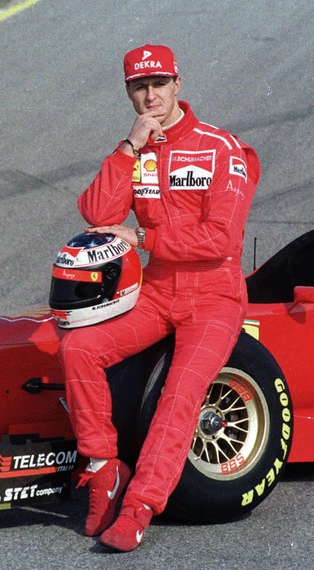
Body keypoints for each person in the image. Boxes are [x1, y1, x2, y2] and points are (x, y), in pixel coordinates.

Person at [58, 44, 260, 551]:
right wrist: (129, 148)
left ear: (178, 85)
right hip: (156, 293)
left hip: (214, 296)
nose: (151, 95)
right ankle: (105, 470)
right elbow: (97, 212)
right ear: (129, 93)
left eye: (160, 84)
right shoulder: (138, 147)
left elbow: (223, 241)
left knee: (179, 397)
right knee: (78, 348)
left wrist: (143, 240)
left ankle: (139, 507)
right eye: (139, 87)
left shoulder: (220, 148)